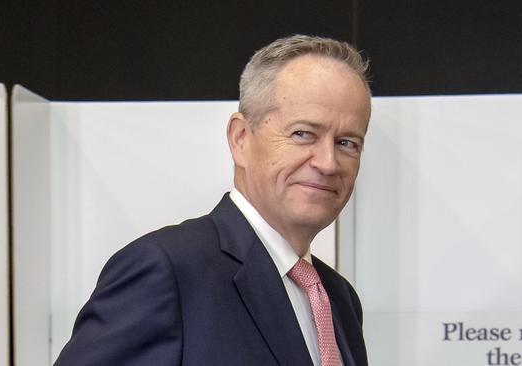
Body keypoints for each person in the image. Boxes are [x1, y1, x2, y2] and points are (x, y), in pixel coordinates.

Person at [54, 34, 371, 366]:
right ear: (241, 139)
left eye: (347, 143)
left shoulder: (339, 299)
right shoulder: (168, 271)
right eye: (303, 134)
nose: (328, 162)